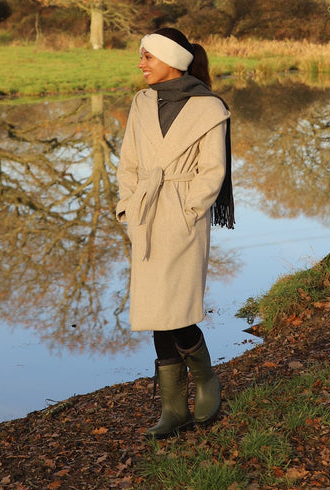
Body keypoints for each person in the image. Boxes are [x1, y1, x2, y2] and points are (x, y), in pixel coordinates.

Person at [115, 27, 234, 440]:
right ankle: (172, 409)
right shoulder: (141, 102)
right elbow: (128, 161)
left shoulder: (208, 108)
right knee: (155, 312)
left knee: (177, 309)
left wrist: (189, 212)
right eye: (141, 55)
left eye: (148, 56)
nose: (141, 63)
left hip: (183, 215)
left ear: (171, 59)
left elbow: (212, 172)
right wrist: (128, 204)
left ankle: (206, 381)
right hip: (146, 213)